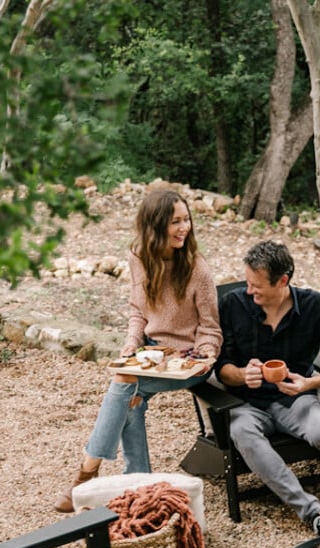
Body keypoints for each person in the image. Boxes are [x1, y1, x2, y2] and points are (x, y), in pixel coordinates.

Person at [54, 189, 222, 513]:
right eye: (175, 221)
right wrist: (132, 343)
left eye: (186, 220)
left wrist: (204, 356)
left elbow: (211, 328)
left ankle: (86, 474)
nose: (184, 228)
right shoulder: (139, 258)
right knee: (130, 398)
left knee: (122, 380)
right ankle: (139, 484)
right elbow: (138, 311)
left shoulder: (198, 269)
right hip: (153, 355)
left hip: (189, 361)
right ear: (155, 226)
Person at [215, 240, 320, 536]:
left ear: (283, 281)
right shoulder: (233, 305)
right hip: (246, 405)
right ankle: (312, 511)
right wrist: (244, 375)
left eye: (257, 285)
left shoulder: (316, 307)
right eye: (247, 282)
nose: (249, 291)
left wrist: (311, 382)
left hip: (296, 400)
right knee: (241, 431)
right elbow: (223, 369)